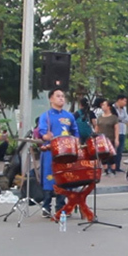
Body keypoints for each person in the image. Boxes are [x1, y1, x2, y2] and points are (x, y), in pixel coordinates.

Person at [38, 89, 79, 218]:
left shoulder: (69, 116)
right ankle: (46, 206)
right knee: (49, 178)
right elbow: (42, 132)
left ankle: (61, 206)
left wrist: (76, 142)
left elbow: (75, 131)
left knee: (63, 178)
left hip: (66, 154)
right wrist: (46, 136)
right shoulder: (46, 116)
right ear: (51, 99)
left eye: (63, 96)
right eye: (58, 96)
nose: (61, 98)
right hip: (51, 152)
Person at [95, 100, 119, 175]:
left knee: (111, 156)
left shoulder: (113, 117)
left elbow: (116, 129)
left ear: (108, 107)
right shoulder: (100, 117)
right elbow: (97, 128)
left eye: (104, 105)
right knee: (102, 155)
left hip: (110, 139)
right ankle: (105, 171)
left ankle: (113, 170)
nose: (102, 106)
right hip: (101, 140)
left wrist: (117, 139)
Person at [111, 95, 128, 173]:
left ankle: (117, 166)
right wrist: (121, 119)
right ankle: (111, 166)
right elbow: (114, 118)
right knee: (113, 150)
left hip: (122, 131)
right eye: (124, 101)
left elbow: (127, 119)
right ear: (119, 100)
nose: (125, 103)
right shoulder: (112, 108)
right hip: (114, 132)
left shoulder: (124, 109)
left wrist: (120, 119)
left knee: (120, 150)